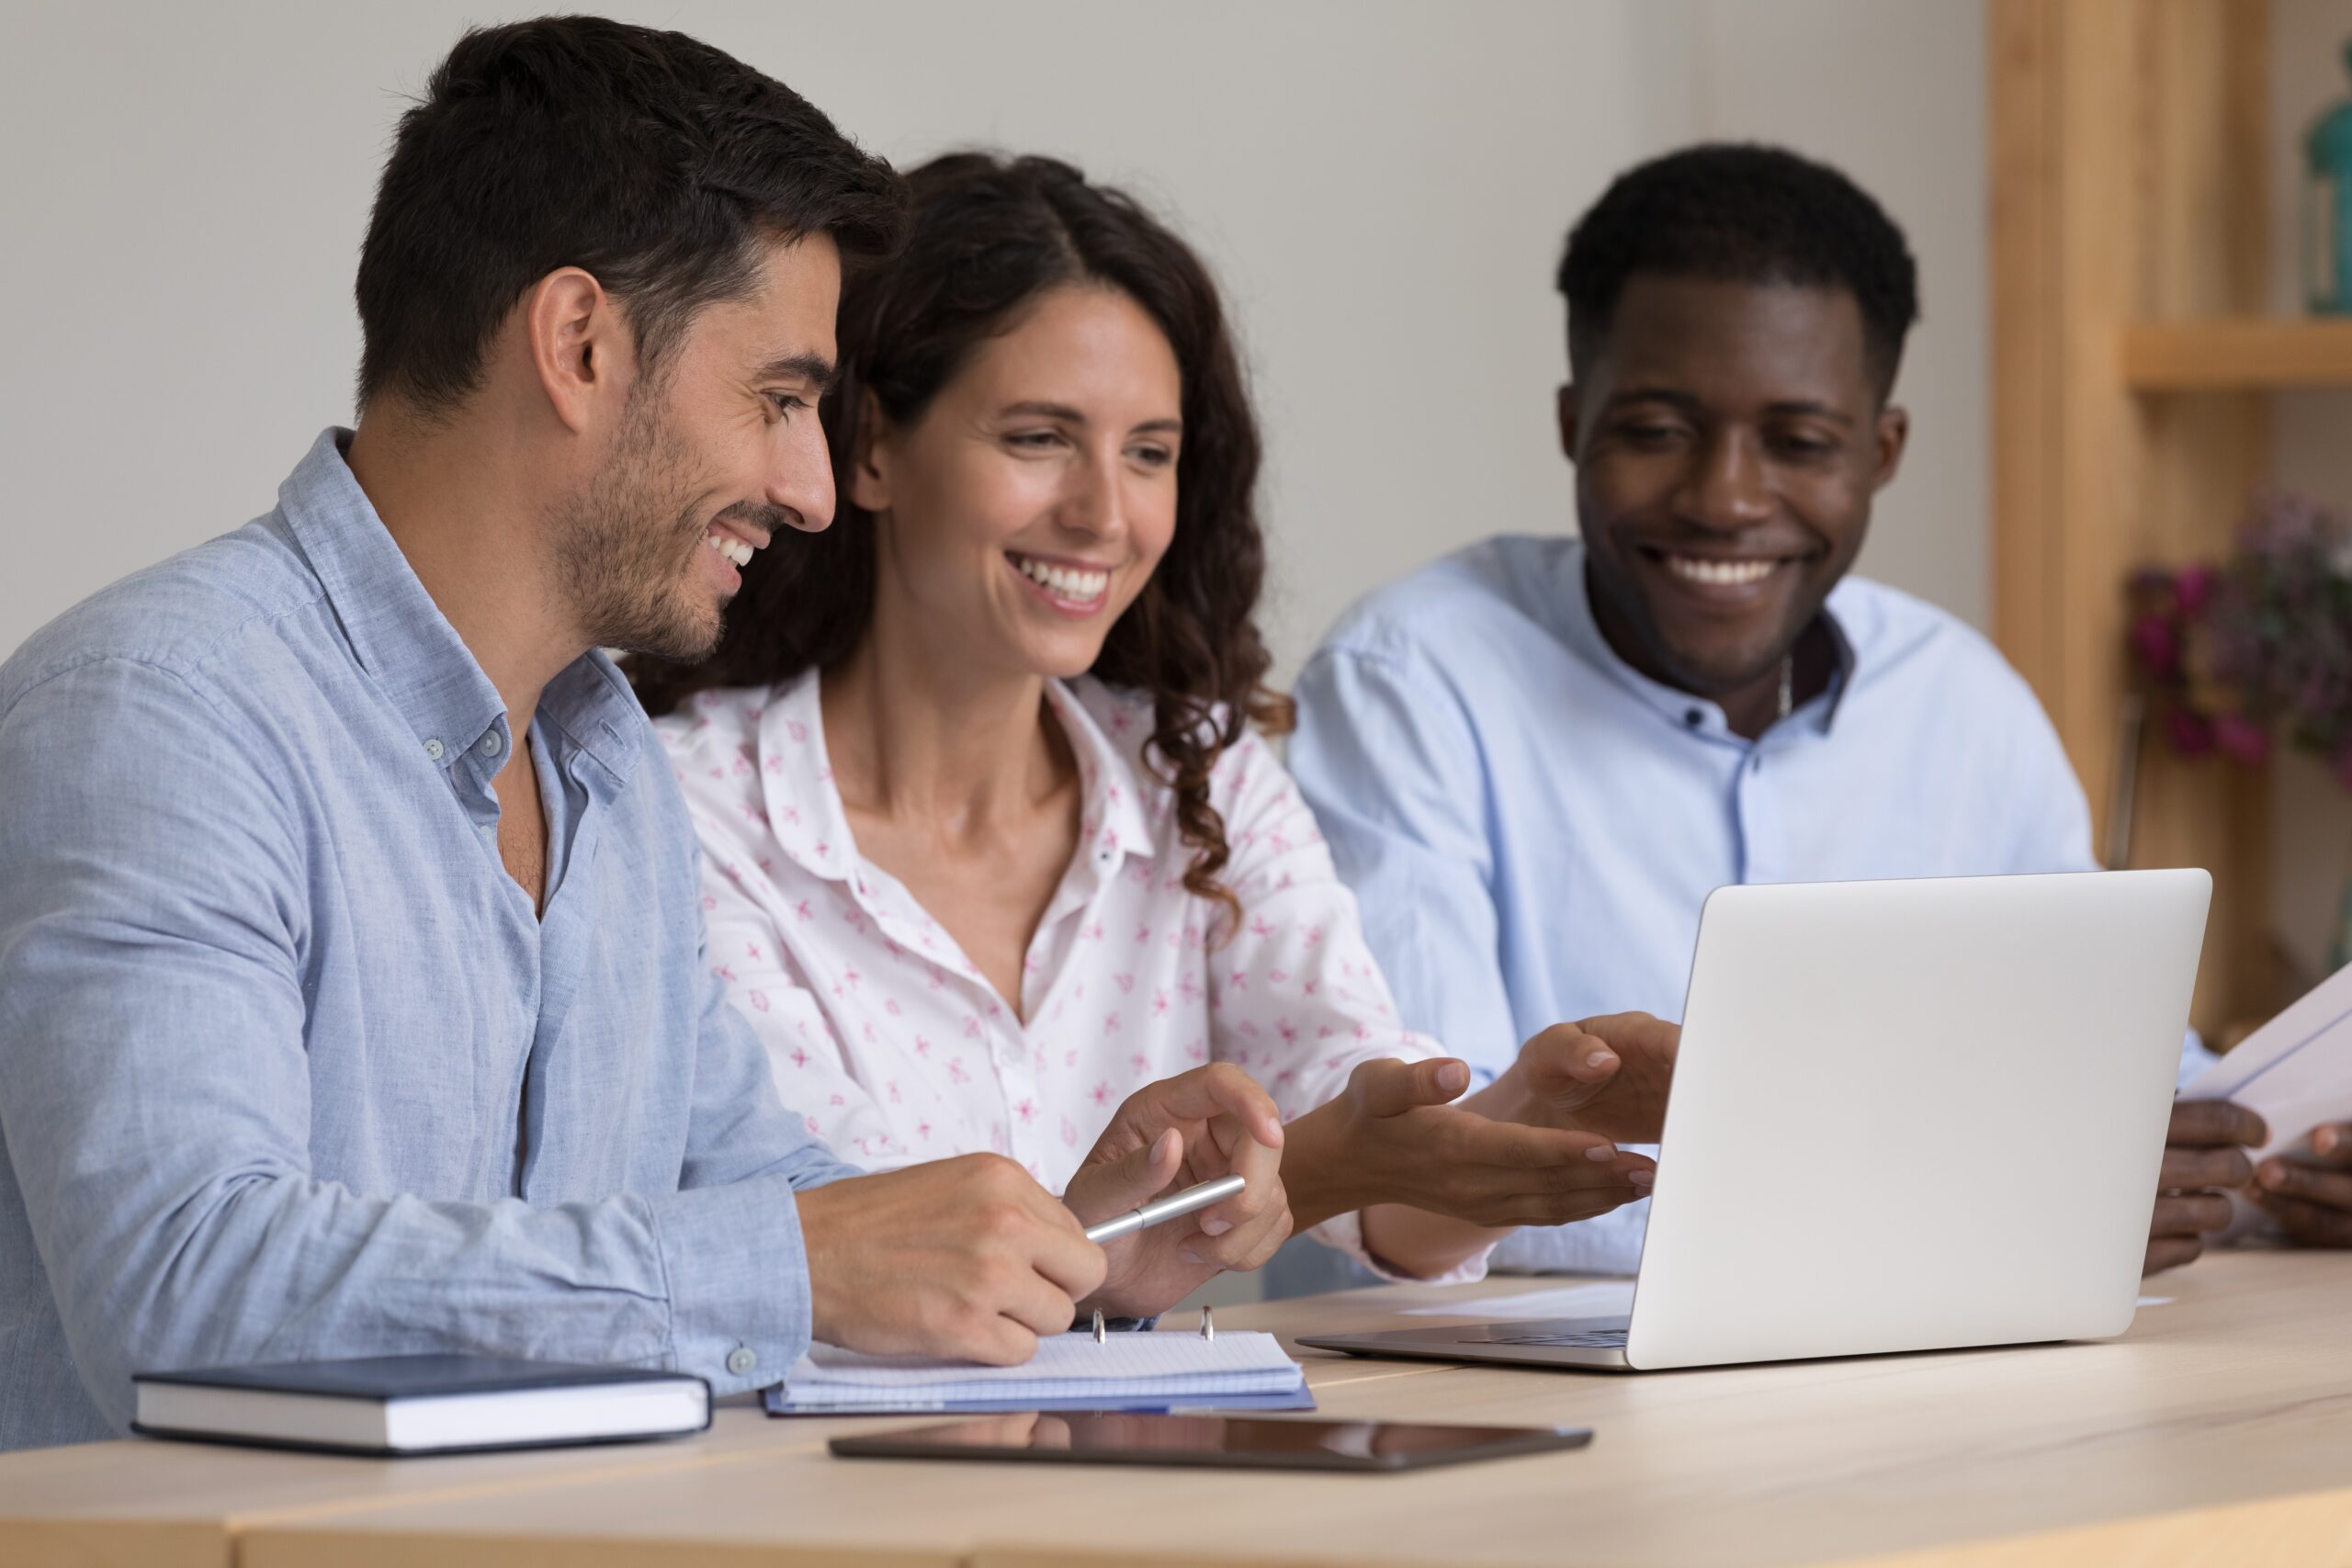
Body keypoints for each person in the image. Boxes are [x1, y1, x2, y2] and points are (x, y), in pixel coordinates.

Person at [0, 19, 1277, 1454]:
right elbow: (178, 1283)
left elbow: (769, 1194)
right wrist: (792, 1267)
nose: (810, 489)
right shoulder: (158, 712)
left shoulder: (607, 763)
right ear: (580, 343)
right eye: (782, 397)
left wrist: (1061, 1251)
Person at [1287, 142, 2341, 1283]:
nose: (1725, 499)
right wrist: (1977, 1200)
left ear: (1880, 451)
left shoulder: (1958, 699)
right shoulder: (1407, 681)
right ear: (1569, 423)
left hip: (1894, 1390)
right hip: (1480, 1408)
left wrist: (2280, 1168)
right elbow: (1423, 1182)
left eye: (1798, 443)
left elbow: (2116, 1072)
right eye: (1654, 429)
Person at [631, 152, 1672, 1292]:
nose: (1103, 515)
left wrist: (1519, 1120)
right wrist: (1318, 1169)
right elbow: (857, 1243)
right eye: (1037, 438)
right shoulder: (686, 810)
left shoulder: (1202, 777)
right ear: (871, 445)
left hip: (1150, 1464)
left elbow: (1374, 1151)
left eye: (1150, 454)